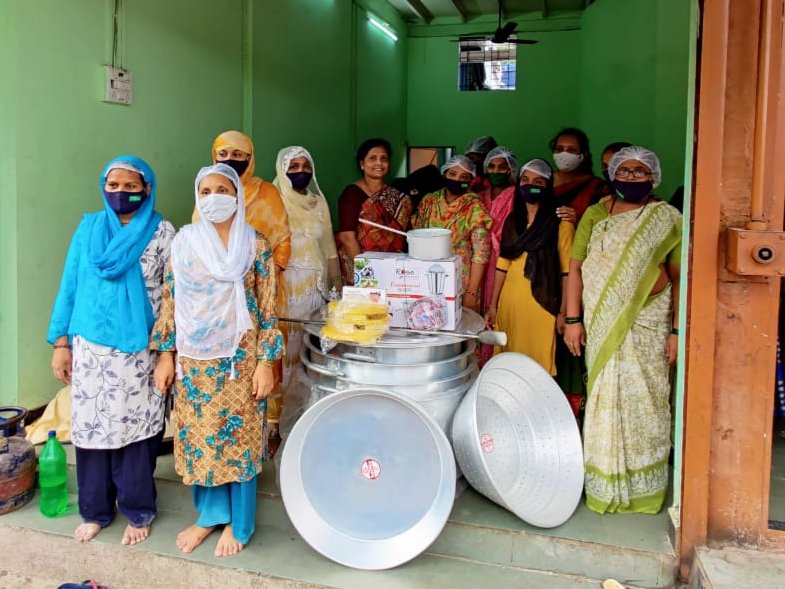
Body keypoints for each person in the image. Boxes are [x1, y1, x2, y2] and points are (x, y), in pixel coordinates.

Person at [152, 163, 283, 556]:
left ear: (237, 196)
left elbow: (267, 307)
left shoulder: (255, 244)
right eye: (205, 191)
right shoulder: (185, 242)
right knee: (202, 435)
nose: (214, 198)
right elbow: (171, 299)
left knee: (240, 438)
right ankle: (209, 516)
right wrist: (165, 355)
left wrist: (265, 361)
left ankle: (239, 525)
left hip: (241, 357)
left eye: (222, 190)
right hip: (195, 359)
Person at [48, 155, 175, 546]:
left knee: (136, 431)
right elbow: (70, 285)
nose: (121, 193)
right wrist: (61, 343)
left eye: (131, 186)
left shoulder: (162, 232)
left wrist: (167, 353)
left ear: (147, 189)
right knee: (91, 429)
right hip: (90, 347)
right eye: (113, 185)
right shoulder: (89, 228)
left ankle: (138, 509)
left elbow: (173, 297)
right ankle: (96, 510)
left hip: (140, 349)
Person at [563, 146, 682, 515]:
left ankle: (645, 490)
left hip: (648, 325)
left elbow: (679, 278)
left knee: (646, 400)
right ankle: (603, 486)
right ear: (612, 174)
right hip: (600, 324)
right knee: (603, 398)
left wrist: (677, 331)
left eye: (639, 171)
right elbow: (576, 269)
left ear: (654, 177)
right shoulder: (596, 215)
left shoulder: (667, 218)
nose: (631, 177)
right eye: (624, 171)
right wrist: (572, 320)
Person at [204, 130, 291, 433]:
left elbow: (283, 239)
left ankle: (267, 425)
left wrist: (264, 277)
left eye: (238, 155)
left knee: (261, 363)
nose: (231, 160)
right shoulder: (207, 193)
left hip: (259, 291)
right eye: (223, 154)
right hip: (217, 300)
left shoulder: (267, 192)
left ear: (250, 158)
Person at [271, 145, 341, 423]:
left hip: (315, 289)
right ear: (282, 170)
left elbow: (330, 250)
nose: (301, 171)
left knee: (307, 348)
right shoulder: (273, 199)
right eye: (294, 167)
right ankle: (275, 419)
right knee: (283, 351)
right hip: (284, 290)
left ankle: (301, 415)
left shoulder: (318, 202)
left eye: (306, 166)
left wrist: (336, 290)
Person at [484, 159, 574, 374]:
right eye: (525, 180)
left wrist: (563, 312)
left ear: (548, 187)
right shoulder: (513, 221)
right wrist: (493, 305)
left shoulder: (560, 223)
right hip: (509, 303)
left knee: (537, 367)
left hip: (542, 303)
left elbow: (567, 273)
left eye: (538, 181)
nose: (530, 185)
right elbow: (502, 265)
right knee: (508, 365)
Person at [413, 155, 491, 312]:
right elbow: (418, 235)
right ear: (444, 174)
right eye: (453, 174)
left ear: (471, 180)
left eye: (464, 177)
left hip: (461, 280)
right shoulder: (429, 201)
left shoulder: (474, 206)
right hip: (427, 275)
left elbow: (481, 253)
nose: (457, 180)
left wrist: (471, 292)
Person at [337, 138, 413, 285]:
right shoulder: (352, 193)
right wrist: (366, 271)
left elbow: (406, 234)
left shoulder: (396, 195)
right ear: (362, 164)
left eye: (384, 159)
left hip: (393, 266)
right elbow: (346, 237)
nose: (379, 163)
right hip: (363, 268)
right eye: (372, 158)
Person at [550, 127, 610, 224]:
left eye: (572, 150)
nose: (564, 154)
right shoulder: (542, 181)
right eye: (559, 149)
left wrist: (575, 221)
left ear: (584, 154)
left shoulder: (596, 187)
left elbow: (598, 223)